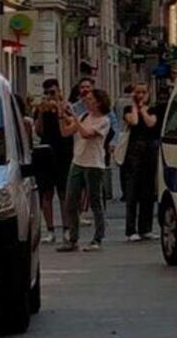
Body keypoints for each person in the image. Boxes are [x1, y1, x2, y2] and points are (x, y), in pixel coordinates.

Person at [58, 89, 112, 252]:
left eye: (90, 99)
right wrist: (61, 115)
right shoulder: (84, 117)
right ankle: (73, 239)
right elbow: (66, 132)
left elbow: (86, 134)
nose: (86, 102)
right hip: (78, 161)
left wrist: (73, 115)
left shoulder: (104, 120)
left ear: (99, 102)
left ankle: (98, 238)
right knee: (70, 201)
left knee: (95, 201)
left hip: (94, 164)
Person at [34, 79, 74, 244]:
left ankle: (66, 228)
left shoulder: (67, 107)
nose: (50, 96)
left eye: (52, 92)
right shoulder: (41, 109)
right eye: (47, 93)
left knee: (64, 192)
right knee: (46, 193)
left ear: (59, 91)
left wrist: (59, 109)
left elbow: (70, 126)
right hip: (46, 151)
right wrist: (42, 113)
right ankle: (50, 230)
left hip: (63, 152)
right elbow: (38, 131)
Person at [123, 83, 160, 242]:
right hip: (133, 153)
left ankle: (146, 228)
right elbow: (135, 122)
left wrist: (144, 108)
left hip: (150, 152)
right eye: (138, 92)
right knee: (132, 192)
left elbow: (151, 123)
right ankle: (131, 229)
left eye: (144, 92)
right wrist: (135, 106)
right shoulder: (128, 110)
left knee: (148, 191)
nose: (140, 95)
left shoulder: (154, 109)